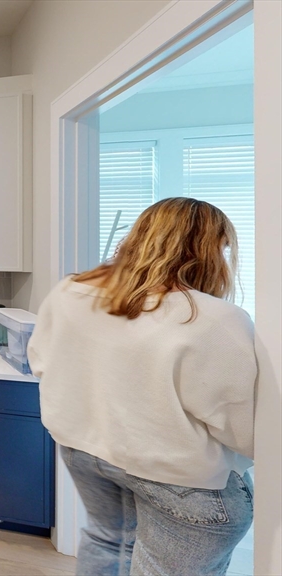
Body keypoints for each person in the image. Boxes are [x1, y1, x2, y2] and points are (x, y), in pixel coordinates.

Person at [28, 197, 256, 576]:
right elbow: (245, 430)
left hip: (85, 452)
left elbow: (41, 362)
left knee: (107, 541)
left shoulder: (70, 292)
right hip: (178, 476)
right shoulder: (215, 319)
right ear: (207, 250)